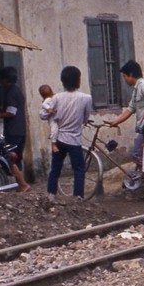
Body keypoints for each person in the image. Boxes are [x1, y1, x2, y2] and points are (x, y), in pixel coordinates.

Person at [40, 66, 93, 197]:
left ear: (62, 81)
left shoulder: (56, 98)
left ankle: (51, 195)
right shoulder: (86, 98)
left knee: (55, 169)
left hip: (58, 139)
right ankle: (78, 198)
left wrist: (50, 113)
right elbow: (86, 117)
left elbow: (43, 115)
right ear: (78, 81)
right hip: (74, 139)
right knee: (79, 170)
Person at [104, 60, 144, 172]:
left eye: (125, 76)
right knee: (141, 154)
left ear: (131, 74)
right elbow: (130, 109)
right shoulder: (136, 89)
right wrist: (116, 122)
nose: (124, 79)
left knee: (137, 154)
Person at [0, 67, 27, 170]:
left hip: (13, 130)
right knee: (17, 157)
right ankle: (21, 181)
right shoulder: (17, 90)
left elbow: (11, 112)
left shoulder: (11, 92)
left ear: (5, 79)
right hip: (20, 129)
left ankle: (21, 182)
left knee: (12, 157)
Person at [38, 84, 58, 152]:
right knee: (54, 128)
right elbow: (44, 105)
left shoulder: (54, 98)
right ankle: (54, 144)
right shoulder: (48, 99)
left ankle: (53, 135)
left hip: (54, 118)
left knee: (55, 129)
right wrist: (48, 109)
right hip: (52, 119)